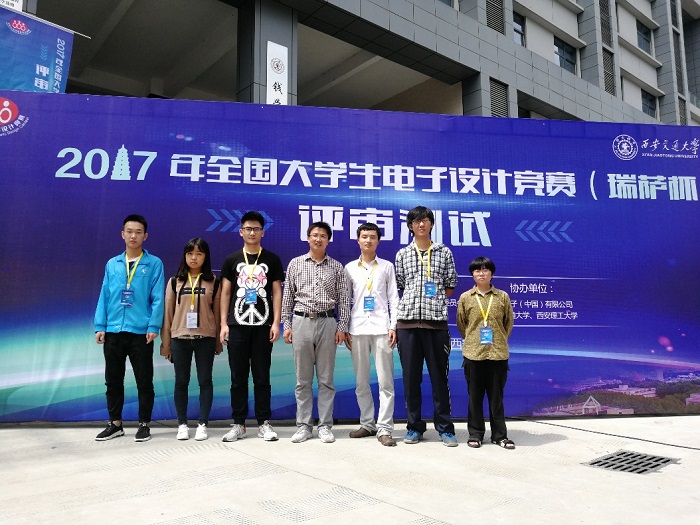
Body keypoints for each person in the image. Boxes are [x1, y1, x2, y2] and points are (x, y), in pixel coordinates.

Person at [94, 214, 165, 442]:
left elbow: (158, 298)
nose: (133, 236)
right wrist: (100, 325)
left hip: (141, 333)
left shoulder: (154, 264)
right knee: (113, 380)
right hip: (113, 331)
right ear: (122, 234)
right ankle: (115, 424)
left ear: (145, 236)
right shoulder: (112, 264)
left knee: (144, 380)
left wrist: (154, 325)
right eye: (129, 231)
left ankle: (144, 424)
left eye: (138, 232)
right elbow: (104, 295)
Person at [394, 206, 458, 446]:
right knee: (411, 380)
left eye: (425, 220)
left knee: (439, 379)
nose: (421, 224)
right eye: (416, 221)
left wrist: (434, 300)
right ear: (410, 226)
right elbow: (401, 285)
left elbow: (450, 285)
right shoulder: (402, 254)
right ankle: (414, 427)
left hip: (436, 325)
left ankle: (445, 428)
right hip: (408, 325)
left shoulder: (443, 252)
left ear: (431, 224)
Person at [282, 221, 350, 443]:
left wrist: (342, 327)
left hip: (327, 323)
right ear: (308, 238)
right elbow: (287, 297)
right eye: (314, 235)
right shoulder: (295, 264)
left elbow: (344, 300)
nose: (318, 239)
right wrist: (287, 324)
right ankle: (303, 425)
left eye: (323, 236)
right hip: (301, 322)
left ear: (328, 240)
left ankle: (325, 426)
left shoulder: (337, 267)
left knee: (326, 380)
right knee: (302, 380)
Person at [219, 211, 284, 442]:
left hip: (263, 325)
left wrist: (276, 322)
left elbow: (277, 292)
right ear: (241, 232)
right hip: (237, 325)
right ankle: (238, 423)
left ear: (262, 232)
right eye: (248, 229)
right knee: (238, 377)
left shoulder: (272, 259)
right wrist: (223, 324)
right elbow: (225, 293)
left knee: (261, 376)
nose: (252, 233)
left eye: (256, 229)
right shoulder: (232, 260)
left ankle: (263, 423)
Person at [160, 238, 222, 441]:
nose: (194, 258)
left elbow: (218, 313)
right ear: (184, 256)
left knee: (205, 381)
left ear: (206, 257)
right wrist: (166, 344)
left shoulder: (214, 282)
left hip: (205, 338)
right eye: (190, 254)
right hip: (180, 339)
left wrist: (218, 341)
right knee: (181, 381)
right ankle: (182, 424)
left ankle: (203, 424)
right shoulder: (174, 281)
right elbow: (168, 315)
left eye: (199, 254)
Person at [344, 222, 400, 447]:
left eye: (372, 237)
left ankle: (384, 428)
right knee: (361, 381)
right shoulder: (349, 268)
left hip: (381, 329)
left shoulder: (386, 267)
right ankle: (367, 423)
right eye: (364, 236)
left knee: (386, 382)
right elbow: (345, 301)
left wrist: (393, 326)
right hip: (357, 329)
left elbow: (393, 298)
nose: (368, 240)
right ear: (358, 240)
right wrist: (345, 328)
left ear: (378, 240)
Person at [456, 256, 515, 450]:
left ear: (492, 274)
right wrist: (473, 340)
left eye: (485, 270)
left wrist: (499, 339)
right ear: (472, 274)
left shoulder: (502, 297)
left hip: (498, 354)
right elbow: (462, 324)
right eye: (477, 270)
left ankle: (500, 436)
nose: (481, 273)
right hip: (473, 354)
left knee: (496, 398)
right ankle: (475, 434)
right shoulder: (465, 297)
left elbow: (508, 323)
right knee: (474, 397)